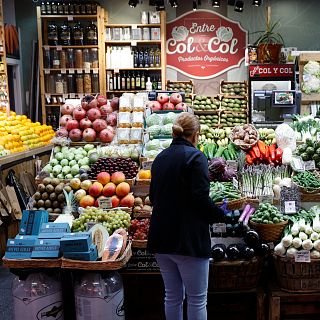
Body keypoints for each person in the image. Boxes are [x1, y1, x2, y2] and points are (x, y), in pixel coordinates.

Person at [147, 112, 225, 320]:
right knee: (197, 299)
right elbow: (200, 198)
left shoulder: (160, 158)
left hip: (161, 237)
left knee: (172, 296)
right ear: (196, 135)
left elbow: (152, 198)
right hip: (188, 239)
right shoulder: (196, 156)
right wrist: (222, 214)